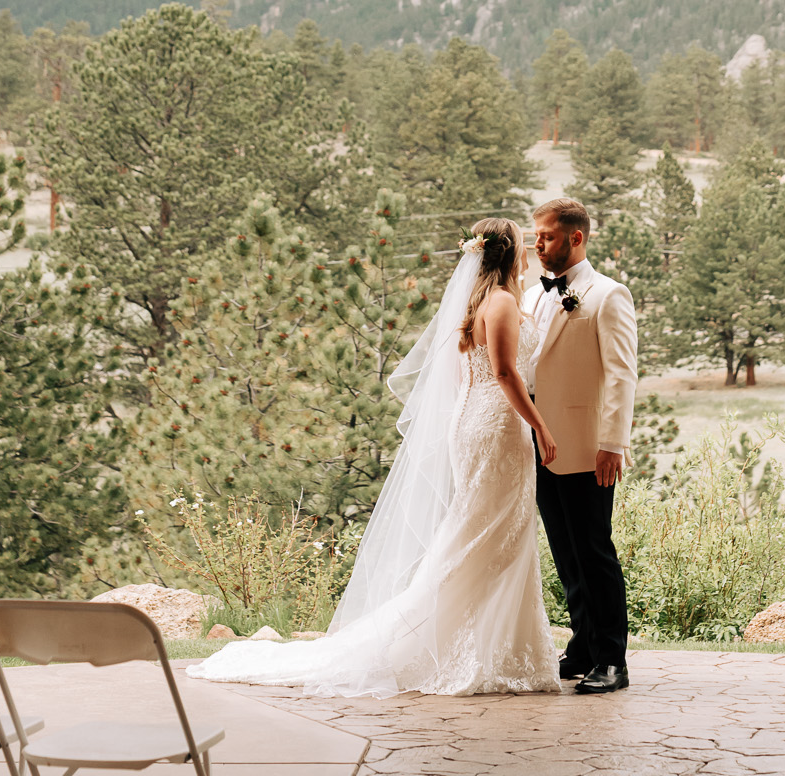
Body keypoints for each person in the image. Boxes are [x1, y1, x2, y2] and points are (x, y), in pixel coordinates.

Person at [188, 218, 560, 699]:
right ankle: (450, 645)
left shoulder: (476, 303)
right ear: (512, 255)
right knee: (491, 534)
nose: (530, 252)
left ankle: (495, 650)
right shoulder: (505, 302)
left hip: (474, 422)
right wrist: (541, 426)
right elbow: (506, 373)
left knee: (487, 531)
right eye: (525, 246)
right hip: (496, 425)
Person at [526, 196, 637, 695]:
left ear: (576, 238)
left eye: (546, 236)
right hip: (538, 444)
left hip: (588, 445)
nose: (537, 244)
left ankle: (613, 659)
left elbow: (620, 374)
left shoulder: (609, 295)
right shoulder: (532, 295)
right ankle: (584, 646)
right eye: (536, 236)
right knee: (565, 552)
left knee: (594, 551)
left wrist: (612, 442)